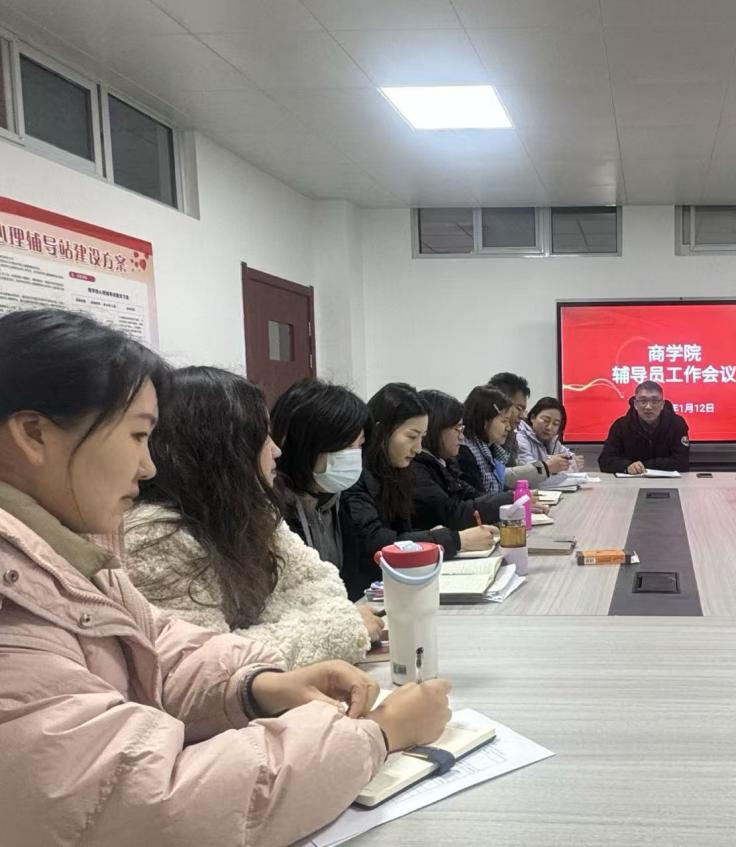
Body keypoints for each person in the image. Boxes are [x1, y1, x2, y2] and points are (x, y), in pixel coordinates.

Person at [0, 309, 451, 846]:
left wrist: (254, 685)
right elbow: (151, 804)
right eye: (138, 435)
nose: (148, 466)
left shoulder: (70, 548)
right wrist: (376, 735)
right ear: (34, 435)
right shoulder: (31, 591)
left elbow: (156, 648)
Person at [123, 367, 382, 667]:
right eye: (262, 436)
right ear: (220, 447)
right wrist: (340, 629)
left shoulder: (254, 511)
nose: (276, 450)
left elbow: (318, 586)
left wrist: (306, 626)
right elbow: (207, 664)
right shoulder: (155, 536)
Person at [341, 384, 498, 600]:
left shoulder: (396, 471)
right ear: (380, 431)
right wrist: (455, 540)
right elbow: (376, 542)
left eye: (422, 437)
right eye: (412, 436)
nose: (417, 448)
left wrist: (428, 537)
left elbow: (399, 531)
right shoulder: (353, 476)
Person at [270, 378, 368, 575]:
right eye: (346, 445)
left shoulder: (335, 500)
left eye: (360, 445)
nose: (354, 456)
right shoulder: (274, 514)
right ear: (304, 445)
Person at [413, 389, 530, 530]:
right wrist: (508, 499)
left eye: (462, 429)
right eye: (457, 429)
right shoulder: (418, 468)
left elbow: (471, 494)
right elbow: (453, 514)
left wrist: (511, 499)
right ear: (435, 428)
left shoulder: (446, 463)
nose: (461, 436)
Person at [488, 372, 570, 487]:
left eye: (556, 424)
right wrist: (546, 467)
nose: (522, 416)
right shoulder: (474, 442)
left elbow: (513, 476)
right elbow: (497, 477)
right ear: (500, 405)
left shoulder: (510, 437)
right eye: (519, 408)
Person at [598, 380, 690, 474]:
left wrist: (643, 466)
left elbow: (682, 462)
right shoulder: (621, 426)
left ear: (662, 404)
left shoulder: (677, 424)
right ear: (635, 404)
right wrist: (627, 466)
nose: (648, 407)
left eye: (654, 401)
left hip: (669, 481)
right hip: (631, 480)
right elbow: (605, 460)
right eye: (643, 401)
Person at [457, 385, 514, 496]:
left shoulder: (490, 448)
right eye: (504, 421)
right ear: (484, 420)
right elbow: (478, 498)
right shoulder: (464, 451)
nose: (509, 427)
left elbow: (497, 487)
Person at [516, 396, 583, 480]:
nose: (549, 427)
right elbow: (527, 469)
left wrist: (573, 460)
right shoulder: (519, 436)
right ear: (533, 417)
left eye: (555, 424)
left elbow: (568, 456)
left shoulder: (552, 440)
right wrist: (550, 465)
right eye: (545, 420)